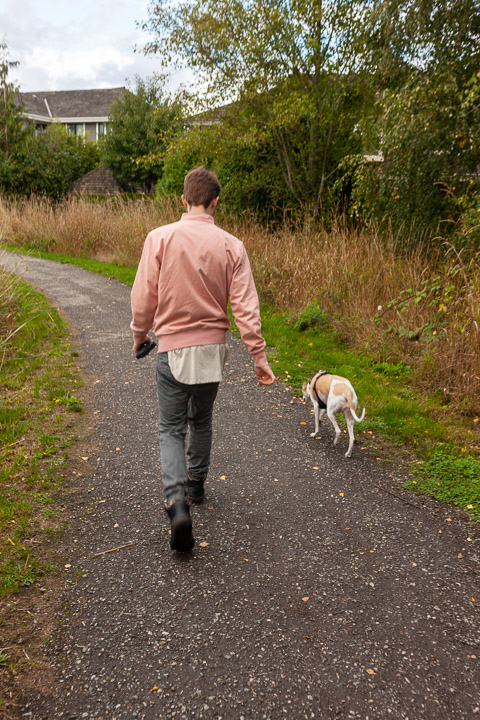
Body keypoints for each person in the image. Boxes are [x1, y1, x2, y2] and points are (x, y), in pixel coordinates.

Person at [130, 166, 275, 552]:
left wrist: (139, 335)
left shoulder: (159, 238)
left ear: (183, 199)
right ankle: (196, 483)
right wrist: (258, 356)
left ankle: (177, 503)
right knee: (202, 418)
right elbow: (245, 308)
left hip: (171, 349)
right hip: (213, 351)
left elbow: (143, 297)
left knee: (171, 428)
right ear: (215, 203)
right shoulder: (232, 246)